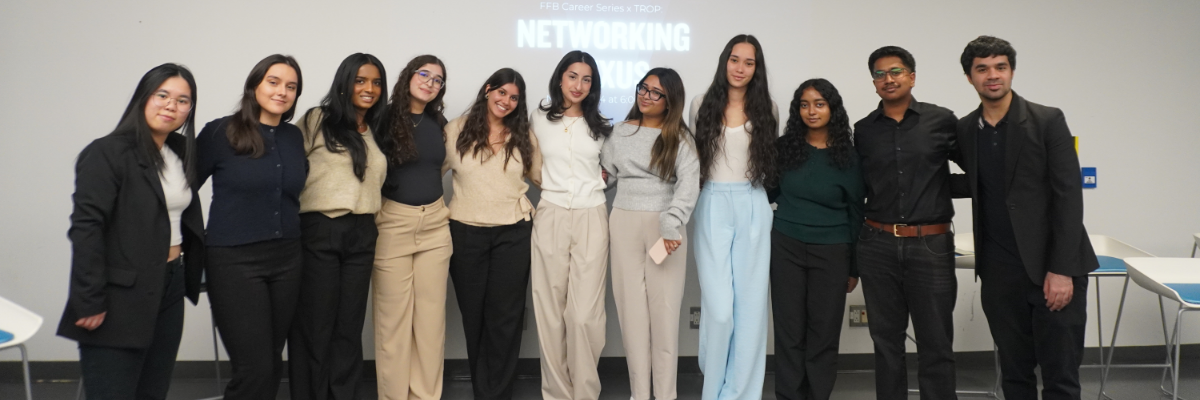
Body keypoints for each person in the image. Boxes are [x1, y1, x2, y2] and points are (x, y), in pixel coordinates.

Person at [955, 35, 1097, 400]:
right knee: (1015, 376)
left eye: (1000, 67)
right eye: (982, 69)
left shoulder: (1047, 120)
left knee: (1060, 377)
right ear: (969, 77)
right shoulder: (966, 129)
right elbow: (970, 181)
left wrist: (1062, 270)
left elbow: (1069, 196)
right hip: (1000, 273)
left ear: (1012, 71)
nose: (993, 75)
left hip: (1054, 269)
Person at [58, 63, 203, 400]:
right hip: (118, 293)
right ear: (143, 98)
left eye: (183, 100)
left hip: (170, 284)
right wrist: (89, 299)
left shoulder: (179, 152)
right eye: (162, 95)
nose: (172, 105)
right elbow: (86, 228)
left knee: (153, 390)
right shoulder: (106, 152)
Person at [853, 46, 961, 400]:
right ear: (873, 83)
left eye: (896, 71)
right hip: (877, 244)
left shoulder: (942, 120)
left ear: (912, 77)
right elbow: (859, 187)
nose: (889, 79)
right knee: (885, 342)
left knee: (936, 343)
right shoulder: (864, 130)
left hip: (930, 245)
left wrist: (939, 187)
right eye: (880, 74)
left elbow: (977, 172)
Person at [196, 54, 306, 400]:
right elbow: (180, 191)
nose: (282, 92)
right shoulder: (219, 132)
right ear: (254, 85)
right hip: (234, 262)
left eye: (291, 86)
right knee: (253, 366)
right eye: (273, 82)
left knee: (273, 360)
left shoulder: (292, 136)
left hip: (287, 259)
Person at [291, 53, 388, 400]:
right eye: (361, 80)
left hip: (363, 232)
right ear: (345, 83)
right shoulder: (318, 119)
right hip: (321, 228)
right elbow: (288, 169)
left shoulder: (376, 128)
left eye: (376, 82)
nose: (369, 88)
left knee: (349, 327)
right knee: (317, 326)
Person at [601, 67, 700, 400]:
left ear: (670, 100)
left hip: (665, 229)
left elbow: (688, 187)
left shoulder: (681, 139)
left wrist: (672, 223)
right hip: (624, 221)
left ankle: (666, 394)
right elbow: (607, 179)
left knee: (664, 313)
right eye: (643, 88)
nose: (646, 95)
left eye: (655, 92)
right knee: (631, 314)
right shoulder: (620, 133)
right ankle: (639, 394)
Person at [443, 68, 542, 400]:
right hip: (465, 232)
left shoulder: (523, 135)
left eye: (514, 98)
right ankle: (482, 390)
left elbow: (546, 177)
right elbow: (426, 170)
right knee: (475, 316)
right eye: (502, 93)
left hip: (513, 234)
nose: (506, 101)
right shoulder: (455, 129)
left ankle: (497, 394)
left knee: (506, 319)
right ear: (488, 90)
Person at [689, 34, 778, 400]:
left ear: (756, 69)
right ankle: (714, 389)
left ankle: (741, 392)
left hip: (753, 204)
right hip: (710, 203)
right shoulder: (700, 104)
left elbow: (768, 164)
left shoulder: (767, 108)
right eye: (735, 59)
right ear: (724, 61)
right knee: (720, 310)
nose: (740, 68)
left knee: (752, 307)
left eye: (749, 62)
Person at [769, 78, 864, 400]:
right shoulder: (784, 149)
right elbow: (765, 192)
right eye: (805, 104)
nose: (812, 111)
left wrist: (854, 267)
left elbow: (856, 212)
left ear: (832, 109)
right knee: (789, 332)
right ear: (797, 110)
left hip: (833, 252)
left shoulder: (849, 156)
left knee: (823, 334)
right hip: (786, 247)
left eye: (820, 104)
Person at [530, 50, 613, 400]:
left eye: (587, 79)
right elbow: (528, 163)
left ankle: (584, 391)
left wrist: (599, 180)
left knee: (584, 316)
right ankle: (557, 393)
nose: (578, 85)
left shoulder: (603, 126)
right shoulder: (537, 118)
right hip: (550, 213)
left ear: (593, 85)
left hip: (592, 215)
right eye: (572, 76)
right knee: (549, 311)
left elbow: (611, 172)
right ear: (560, 78)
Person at [372, 54, 451, 400]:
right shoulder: (383, 119)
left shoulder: (439, 123)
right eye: (425, 74)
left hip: (435, 223)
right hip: (394, 224)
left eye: (438, 80)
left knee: (431, 325)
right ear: (408, 75)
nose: (430, 83)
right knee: (393, 325)